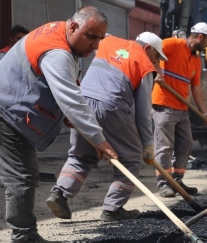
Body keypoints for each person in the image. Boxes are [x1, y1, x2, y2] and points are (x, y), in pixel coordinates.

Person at [0, 7, 118, 243]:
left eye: (101, 38)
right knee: (22, 173)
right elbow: (71, 99)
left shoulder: (59, 30)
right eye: (91, 36)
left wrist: (67, 117)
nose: (96, 45)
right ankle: (23, 238)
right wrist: (100, 141)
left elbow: (58, 89)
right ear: (74, 27)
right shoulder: (58, 53)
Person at [46, 32, 168, 221]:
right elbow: (144, 111)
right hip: (112, 107)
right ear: (148, 49)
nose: (157, 62)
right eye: (157, 56)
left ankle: (59, 194)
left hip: (82, 103)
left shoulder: (108, 42)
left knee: (81, 155)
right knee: (131, 159)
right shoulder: (144, 64)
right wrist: (147, 145)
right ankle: (113, 208)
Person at [151, 22, 207, 197]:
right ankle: (164, 183)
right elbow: (151, 49)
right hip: (164, 104)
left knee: (185, 144)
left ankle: (176, 180)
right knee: (164, 146)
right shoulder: (174, 44)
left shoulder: (196, 59)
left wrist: (205, 112)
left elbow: (196, 89)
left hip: (182, 108)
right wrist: (157, 72)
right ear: (200, 36)